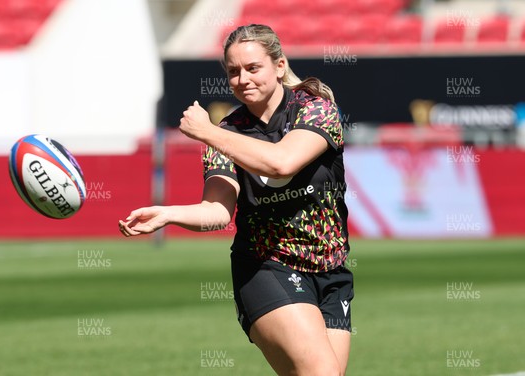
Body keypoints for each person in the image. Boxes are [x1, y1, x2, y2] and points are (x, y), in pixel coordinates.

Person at [119, 24, 353, 376]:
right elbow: (217, 212)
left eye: (252, 68)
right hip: (266, 266)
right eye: (233, 71)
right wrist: (166, 214)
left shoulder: (316, 111)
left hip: (331, 270)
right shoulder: (226, 132)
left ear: (278, 65)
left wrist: (209, 131)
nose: (242, 79)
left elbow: (281, 162)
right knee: (322, 372)